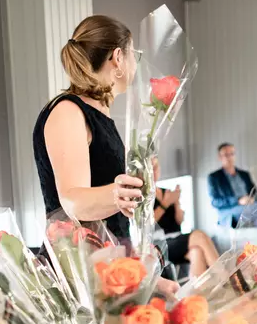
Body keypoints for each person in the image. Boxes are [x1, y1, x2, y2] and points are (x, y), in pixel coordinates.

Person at [32, 15, 178, 295]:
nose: (136, 63)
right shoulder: (68, 110)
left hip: (110, 264)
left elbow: (109, 205)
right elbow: (72, 201)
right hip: (80, 271)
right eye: (134, 54)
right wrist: (118, 193)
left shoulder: (102, 115)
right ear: (118, 57)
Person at [152, 157, 220, 279]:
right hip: (158, 245)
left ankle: (196, 295)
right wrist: (165, 204)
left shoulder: (165, 191)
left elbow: (179, 220)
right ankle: (225, 279)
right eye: (151, 168)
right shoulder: (142, 197)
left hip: (176, 238)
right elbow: (148, 224)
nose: (154, 170)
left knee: (196, 251)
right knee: (199, 236)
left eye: (156, 167)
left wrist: (177, 202)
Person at [208, 142, 257, 227]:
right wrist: (238, 200)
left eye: (232, 154)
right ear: (220, 157)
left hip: (249, 207)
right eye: (226, 155)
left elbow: (256, 194)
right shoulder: (214, 177)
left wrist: (252, 199)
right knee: (256, 211)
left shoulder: (244, 174)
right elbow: (215, 202)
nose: (229, 157)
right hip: (228, 211)